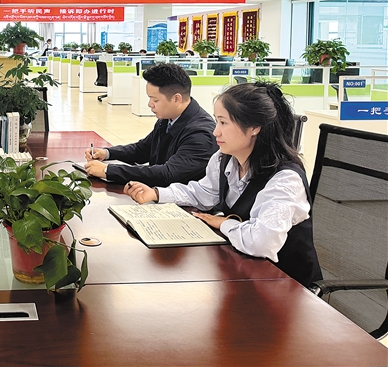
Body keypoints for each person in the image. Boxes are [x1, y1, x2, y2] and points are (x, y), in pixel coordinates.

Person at [124, 81, 322, 287]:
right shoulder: (225, 159)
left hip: (287, 287)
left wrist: (223, 223)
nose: (215, 132)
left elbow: (261, 242)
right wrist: (156, 193)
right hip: (244, 274)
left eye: (223, 123)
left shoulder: (285, 180)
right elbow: (202, 193)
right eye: (216, 121)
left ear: (254, 127)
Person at [84, 63, 217, 185]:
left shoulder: (201, 134)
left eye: (155, 100)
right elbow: (142, 150)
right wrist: (107, 153)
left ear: (176, 99)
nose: (150, 104)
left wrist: (108, 170)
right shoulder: (168, 118)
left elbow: (167, 174)